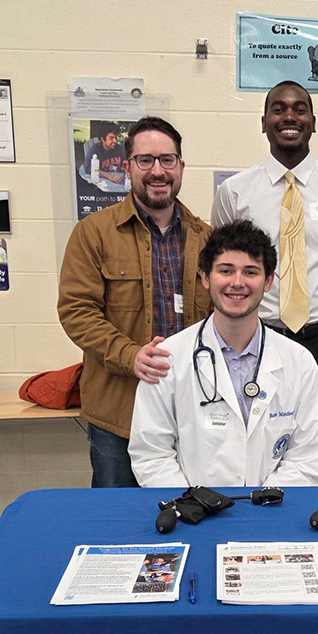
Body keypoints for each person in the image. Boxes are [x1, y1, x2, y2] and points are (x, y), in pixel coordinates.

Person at [211, 80, 318, 485]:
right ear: (264, 122)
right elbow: (226, 271)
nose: (289, 117)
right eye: (278, 109)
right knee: (251, 444)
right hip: (256, 341)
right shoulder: (235, 192)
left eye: (300, 109)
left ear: (314, 122)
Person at [58, 115, 211, 487]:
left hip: (191, 411)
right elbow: (76, 311)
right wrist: (131, 356)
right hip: (119, 412)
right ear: (128, 167)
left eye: (167, 160)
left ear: (181, 167)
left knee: (192, 514)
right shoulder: (93, 233)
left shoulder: (206, 238)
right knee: (120, 523)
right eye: (145, 160)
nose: (157, 171)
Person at [129, 220, 318, 488]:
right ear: (204, 277)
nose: (237, 282)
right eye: (226, 270)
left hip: (273, 514)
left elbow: (308, 457)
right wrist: (193, 503)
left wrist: (267, 504)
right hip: (195, 517)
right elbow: (152, 454)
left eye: (250, 272)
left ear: (268, 281)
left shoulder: (299, 362)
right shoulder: (168, 359)